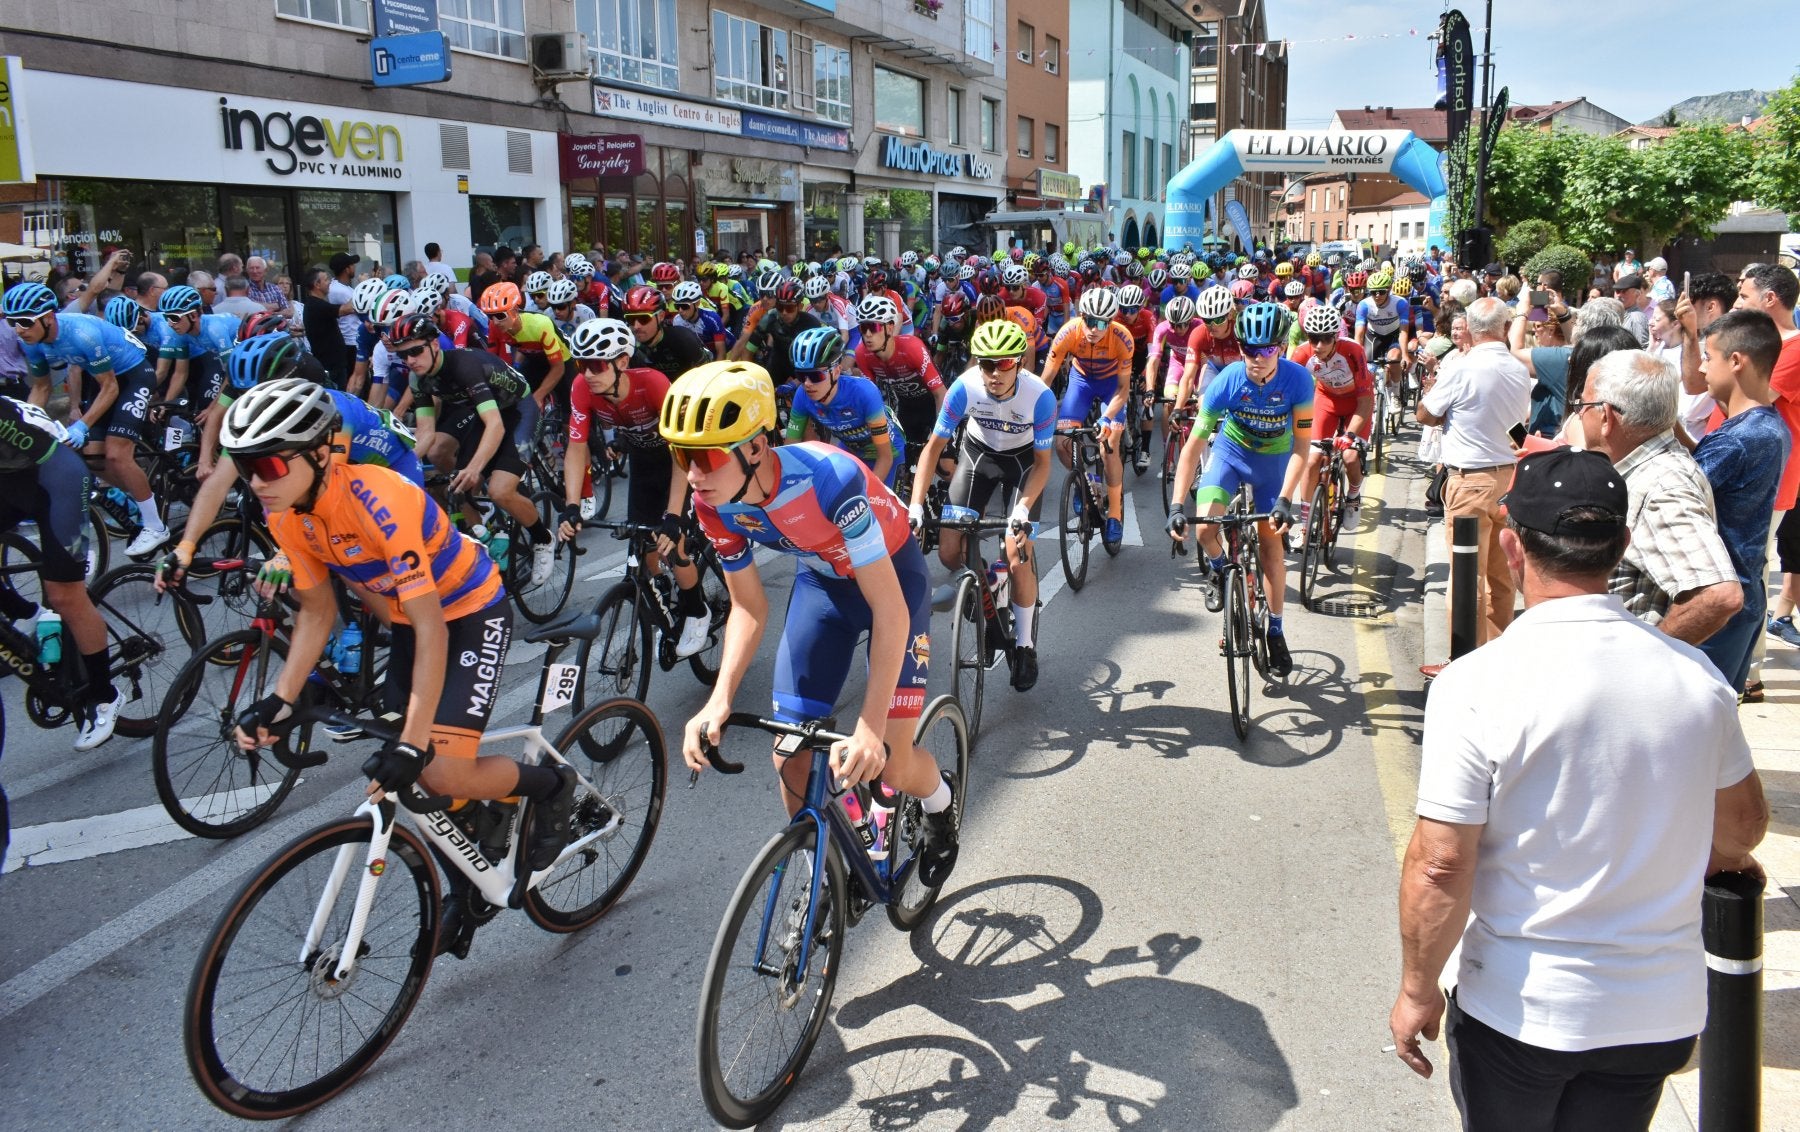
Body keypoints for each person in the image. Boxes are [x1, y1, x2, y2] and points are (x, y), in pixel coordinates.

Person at [1389, 445, 1768, 1132]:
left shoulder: (1476, 686)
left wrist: (1417, 989)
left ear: (1509, 545)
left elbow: (1441, 863)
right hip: (1656, 1014)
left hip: (1522, 1006)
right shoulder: (1696, 678)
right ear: (1621, 546)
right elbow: (1741, 830)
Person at [221, 380, 582, 882]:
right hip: (407, 620)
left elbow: (432, 627)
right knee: (407, 775)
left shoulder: (378, 500)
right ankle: (477, 838)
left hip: (470, 611)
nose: (255, 482)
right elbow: (317, 613)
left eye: (268, 465)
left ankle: (550, 786)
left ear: (322, 452)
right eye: (244, 467)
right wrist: (280, 700)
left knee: (440, 767)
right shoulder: (285, 515)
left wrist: (415, 743)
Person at [666, 360, 960, 885]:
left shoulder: (830, 479)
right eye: (681, 456)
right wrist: (720, 698)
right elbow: (749, 607)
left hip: (893, 583)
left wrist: (869, 728)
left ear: (756, 446)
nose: (693, 474)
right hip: (823, 586)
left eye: (706, 456)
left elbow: (889, 609)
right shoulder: (713, 504)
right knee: (791, 754)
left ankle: (940, 802)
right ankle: (826, 870)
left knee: (889, 761)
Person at [1166, 302, 1314, 678]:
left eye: (1265, 350)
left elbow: (1301, 447)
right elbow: (1194, 447)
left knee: (1270, 547)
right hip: (1230, 454)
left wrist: (1285, 499)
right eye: (1249, 349)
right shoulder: (1228, 380)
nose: (1256, 358)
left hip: (1274, 462)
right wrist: (1176, 505)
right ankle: (1219, 569)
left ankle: (1276, 630)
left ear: (1280, 346)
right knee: (1204, 529)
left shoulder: (1298, 381)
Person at [907, 318, 1055, 691]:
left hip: (1023, 463)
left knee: (1017, 552)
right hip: (978, 458)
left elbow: (1042, 466)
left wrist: (1021, 510)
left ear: (1019, 362)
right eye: (986, 363)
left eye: (1004, 363)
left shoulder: (1039, 397)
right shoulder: (965, 388)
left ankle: (1024, 645)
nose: (993, 373)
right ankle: (988, 580)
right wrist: (916, 506)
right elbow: (932, 451)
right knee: (948, 552)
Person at [556, 319, 709, 657]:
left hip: (679, 458)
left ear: (622, 361)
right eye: (581, 365)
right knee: (645, 547)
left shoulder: (653, 384)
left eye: (596, 365)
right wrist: (571, 505)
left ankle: (698, 611)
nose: (588, 373)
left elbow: (680, 452)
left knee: (673, 544)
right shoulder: (582, 387)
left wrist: (673, 515)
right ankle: (665, 603)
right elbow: (576, 447)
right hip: (643, 462)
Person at [1576, 350, 1742, 645]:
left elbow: (1719, 595)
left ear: (1606, 416)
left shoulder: (1662, 486)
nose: (1578, 413)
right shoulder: (1650, 470)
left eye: (1583, 404)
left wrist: (1652, 656)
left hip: (1629, 673)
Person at [388, 313, 558, 589]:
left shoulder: (464, 366)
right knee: (457, 486)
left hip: (519, 411)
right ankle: (488, 538)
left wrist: (475, 467)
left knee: (500, 490)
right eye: (403, 355)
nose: (410, 360)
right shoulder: (418, 380)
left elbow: (496, 426)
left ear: (434, 344)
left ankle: (542, 538)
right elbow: (426, 432)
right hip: (484, 415)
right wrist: (398, 469)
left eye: (416, 351)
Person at [4, 281, 171, 560]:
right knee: (91, 456)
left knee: (118, 454)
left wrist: (82, 425)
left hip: (133, 374)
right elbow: (41, 388)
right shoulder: (31, 341)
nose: (18, 329)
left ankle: (156, 526)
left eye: (24, 321)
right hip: (104, 378)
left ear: (47, 318)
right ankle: (138, 496)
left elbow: (111, 388)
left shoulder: (82, 333)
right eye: (12, 322)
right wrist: (29, 425)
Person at [0, 393, 126, 748]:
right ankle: (27, 614)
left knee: (65, 594)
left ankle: (104, 695)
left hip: (58, 478)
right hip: (12, 479)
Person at [1416, 298, 1532, 666]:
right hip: (1509, 477)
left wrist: (1432, 390)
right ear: (1501, 327)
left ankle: (1463, 661)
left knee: (1466, 577)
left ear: (1471, 327)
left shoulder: (1463, 368)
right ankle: (1495, 658)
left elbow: (1426, 415)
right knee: (1500, 577)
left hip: (1469, 482)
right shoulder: (1516, 368)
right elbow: (1516, 425)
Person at [1692, 310, 1789, 694]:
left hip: (1718, 605)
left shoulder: (1738, 440)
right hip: (1742, 597)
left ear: (1736, 361)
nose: (1701, 369)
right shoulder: (1769, 426)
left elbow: (1682, 487)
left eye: (1707, 357)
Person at [1043, 287, 1136, 550]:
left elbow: (1123, 389)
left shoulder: (1123, 338)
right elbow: (1046, 379)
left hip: (1111, 386)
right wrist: (1033, 409)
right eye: (1089, 320)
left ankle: (1115, 514)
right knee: (1062, 442)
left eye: (1102, 323)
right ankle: (1083, 483)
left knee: (1109, 447)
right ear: (1081, 315)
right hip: (1081, 381)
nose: (1094, 328)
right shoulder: (1068, 332)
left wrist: (1107, 418)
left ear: (1111, 321)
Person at [785, 326, 904, 489]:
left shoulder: (864, 393)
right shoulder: (802, 395)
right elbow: (791, 447)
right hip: (852, 450)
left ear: (837, 371)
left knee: (878, 507)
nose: (807, 383)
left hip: (887, 453)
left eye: (815, 376)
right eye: (801, 376)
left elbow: (885, 458)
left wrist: (867, 495)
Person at [1291, 305, 1373, 518]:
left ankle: (1354, 496)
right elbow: (1284, 388)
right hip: (1326, 401)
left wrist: (1350, 434)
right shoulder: (1302, 353)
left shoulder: (1353, 351)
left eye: (1325, 339)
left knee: (1350, 457)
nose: (1318, 345)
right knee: (1311, 460)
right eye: (1313, 338)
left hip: (1356, 403)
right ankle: (1306, 521)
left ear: (1336, 336)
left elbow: (1365, 401)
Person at [301, 266, 352, 387]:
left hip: (336, 364)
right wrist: (364, 290)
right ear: (317, 284)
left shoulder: (318, 304)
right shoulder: (315, 305)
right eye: (326, 279)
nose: (330, 282)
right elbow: (346, 309)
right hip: (329, 366)